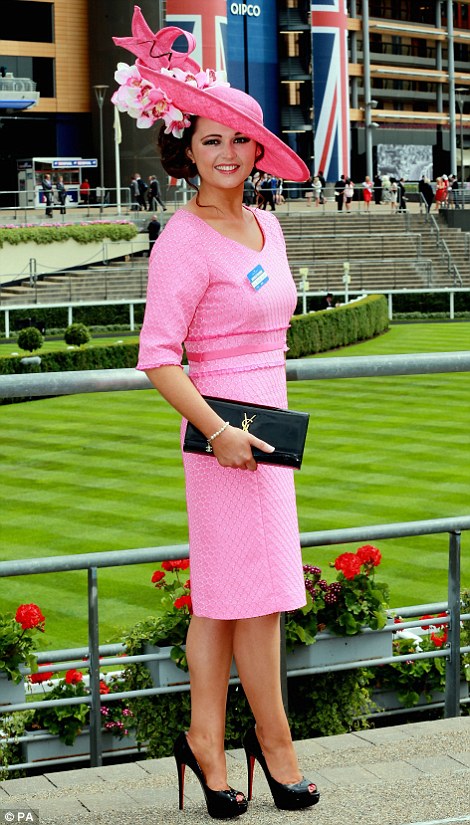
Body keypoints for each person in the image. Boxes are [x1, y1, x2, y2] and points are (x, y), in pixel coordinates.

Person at [113, 9, 320, 819]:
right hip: (224, 434)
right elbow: (158, 355)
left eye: (238, 141)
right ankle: (272, 744)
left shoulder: (268, 224)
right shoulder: (183, 240)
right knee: (247, 597)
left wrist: (253, 429)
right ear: (184, 150)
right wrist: (219, 430)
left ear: (258, 149)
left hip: (270, 431)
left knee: (236, 597)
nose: (227, 154)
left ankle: (207, 739)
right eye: (209, 141)